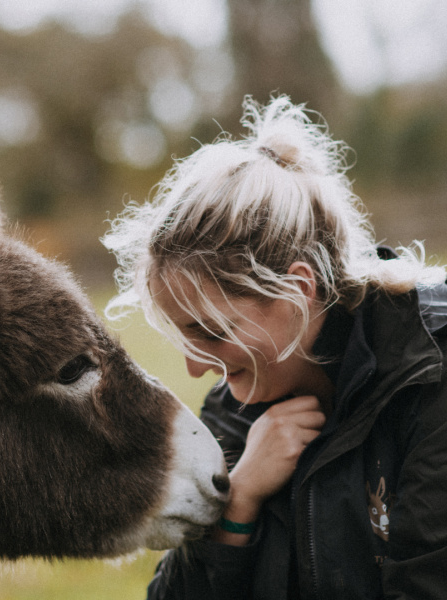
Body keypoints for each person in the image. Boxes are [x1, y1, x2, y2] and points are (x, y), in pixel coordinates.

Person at [102, 95, 447, 599]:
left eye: (212, 332)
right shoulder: (238, 404)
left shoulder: (429, 376)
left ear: (297, 290)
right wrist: (237, 500)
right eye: (182, 336)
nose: (196, 368)